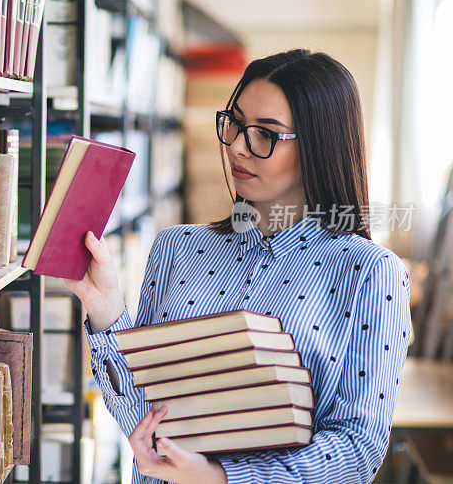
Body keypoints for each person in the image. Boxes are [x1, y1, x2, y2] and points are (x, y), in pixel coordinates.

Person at [63, 49, 412, 484]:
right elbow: (147, 415)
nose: (238, 147)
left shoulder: (371, 273)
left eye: (266, 134)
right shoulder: (176, 248)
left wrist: (220, 477)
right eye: (235, 123)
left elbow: (358, 450)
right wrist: (106, 308)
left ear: (320, 146)